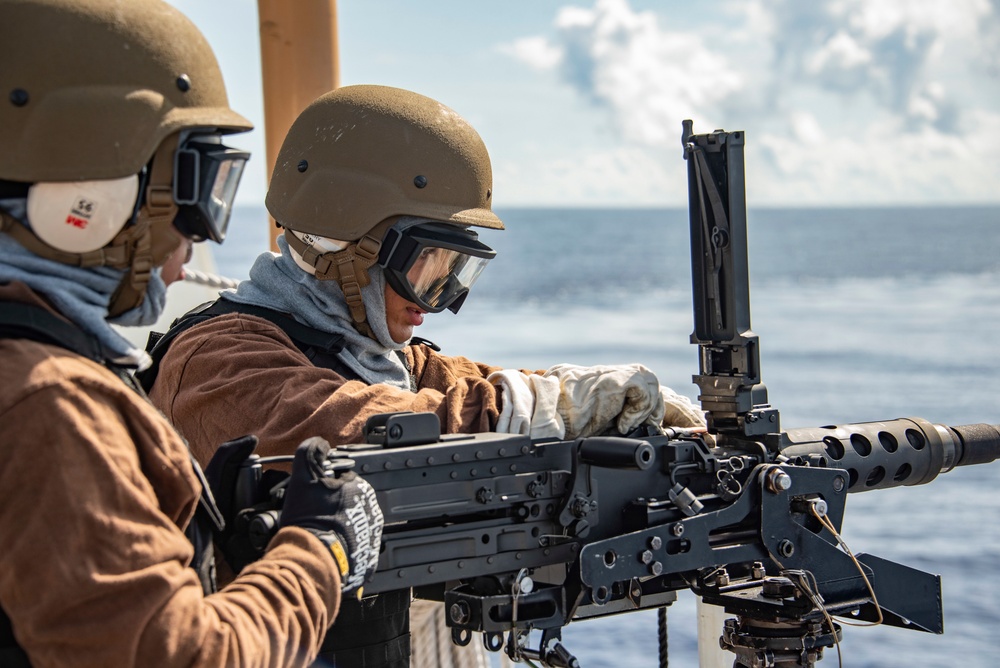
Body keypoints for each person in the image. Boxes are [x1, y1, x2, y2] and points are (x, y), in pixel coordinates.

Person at [142, 83, 707, 667]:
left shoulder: (369, 354)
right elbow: (349, 426)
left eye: (451, 273)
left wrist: (601, 401)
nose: (431, 303)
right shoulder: (218, 358)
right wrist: (555, 406)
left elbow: (465, 384)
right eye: (424, 268)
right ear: (346, 244)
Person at [0, 1, 383, 666]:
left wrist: (213, 544)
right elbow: (178, 657)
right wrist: (316, 551)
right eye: (195, 186)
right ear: (86, 198)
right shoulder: (49, 403)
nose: (202, 234)